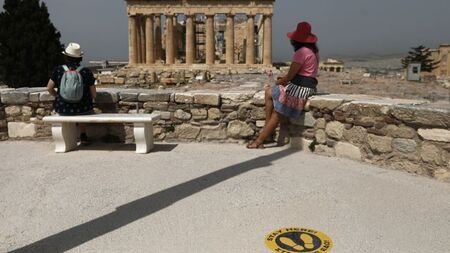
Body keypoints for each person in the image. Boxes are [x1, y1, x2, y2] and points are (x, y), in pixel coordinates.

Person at [247, 22, 319, 149]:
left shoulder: (301, 53)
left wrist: (280, 81)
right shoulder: (313, 51)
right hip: (306, 86)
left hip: (300, 88)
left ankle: (259, 140)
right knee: (269, 92)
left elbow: (290, 76)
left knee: (277, 112)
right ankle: (267, 132)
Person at [47, 42, 97, 143]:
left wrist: (58, 96)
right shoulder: (86, 71)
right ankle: (83, 135)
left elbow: (49, 88)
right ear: (79, 58)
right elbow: (94, 94)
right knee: (84, 109)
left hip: (63, 107)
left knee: (64, 109)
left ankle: (65, 138)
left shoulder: (58, 70)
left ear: (66, 56)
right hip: (83, 108)